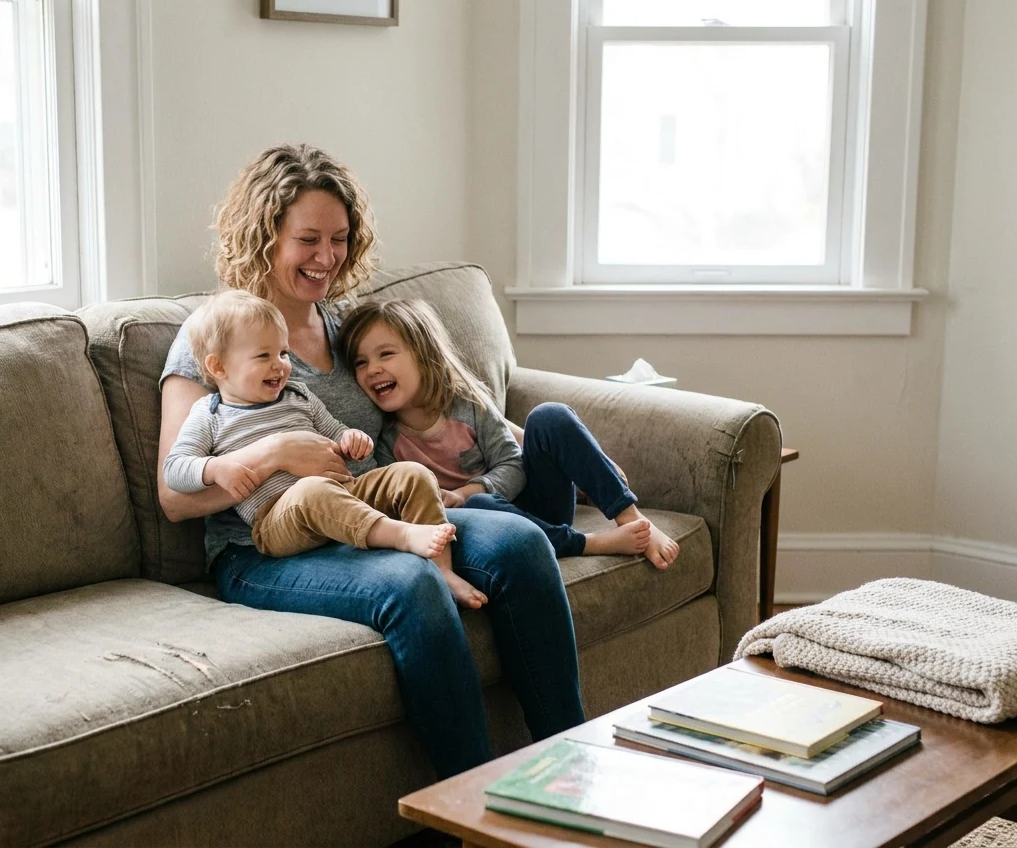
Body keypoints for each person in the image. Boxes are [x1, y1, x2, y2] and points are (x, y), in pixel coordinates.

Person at [157, 143, 585, 779]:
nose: (327, 257)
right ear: (264, 237)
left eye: (339, 238)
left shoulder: (343, 326)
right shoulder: (215, 340)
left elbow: (423, 403)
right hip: (265, 547)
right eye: (308, 239)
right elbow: (173, 497)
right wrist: (274, 453)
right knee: (410, 583)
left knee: (521, 544)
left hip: (373, 511)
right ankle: (471, 806)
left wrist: (526, 443)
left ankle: (570, 769)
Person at [162, 289, 485, 607]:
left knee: (412, 474)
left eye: (283, 353)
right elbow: (175, 468)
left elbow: (336, 433)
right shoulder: (209, 414)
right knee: (312, 490)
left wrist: (352, 439)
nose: (280, 365)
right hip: (277, 521)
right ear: (218, 367)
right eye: (264, 356)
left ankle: (442, 569)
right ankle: (401, 535)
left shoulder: (299, 395)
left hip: (341, 494)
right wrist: (214, 468)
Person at [339, 299, 682, 568]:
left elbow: (513, 464)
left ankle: (632, 518)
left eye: (386, 354)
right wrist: (463, 501)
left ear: (424, 355)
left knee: (550, 416)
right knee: (479, 504)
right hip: (488, 529)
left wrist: (467, 490)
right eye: (360, 363)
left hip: (536, 504)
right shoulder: (384, 442)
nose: (373, 369)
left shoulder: (469, 404)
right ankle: (585, 544)